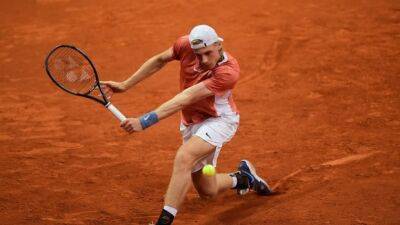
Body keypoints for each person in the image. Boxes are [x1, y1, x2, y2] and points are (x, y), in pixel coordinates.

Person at [101, 24, 273, 225]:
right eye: (198, 55)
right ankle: (244, 178)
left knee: (184, 156)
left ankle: (164, 222)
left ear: (218, 45)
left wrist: (144, 121)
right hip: (191, 121)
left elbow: (185, 98)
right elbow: (159, 60)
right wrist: (124, 85)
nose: (204, 60)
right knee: (207, 191)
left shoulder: (228, 72)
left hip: (218, 120)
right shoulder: (185, 45)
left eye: (208, 53)